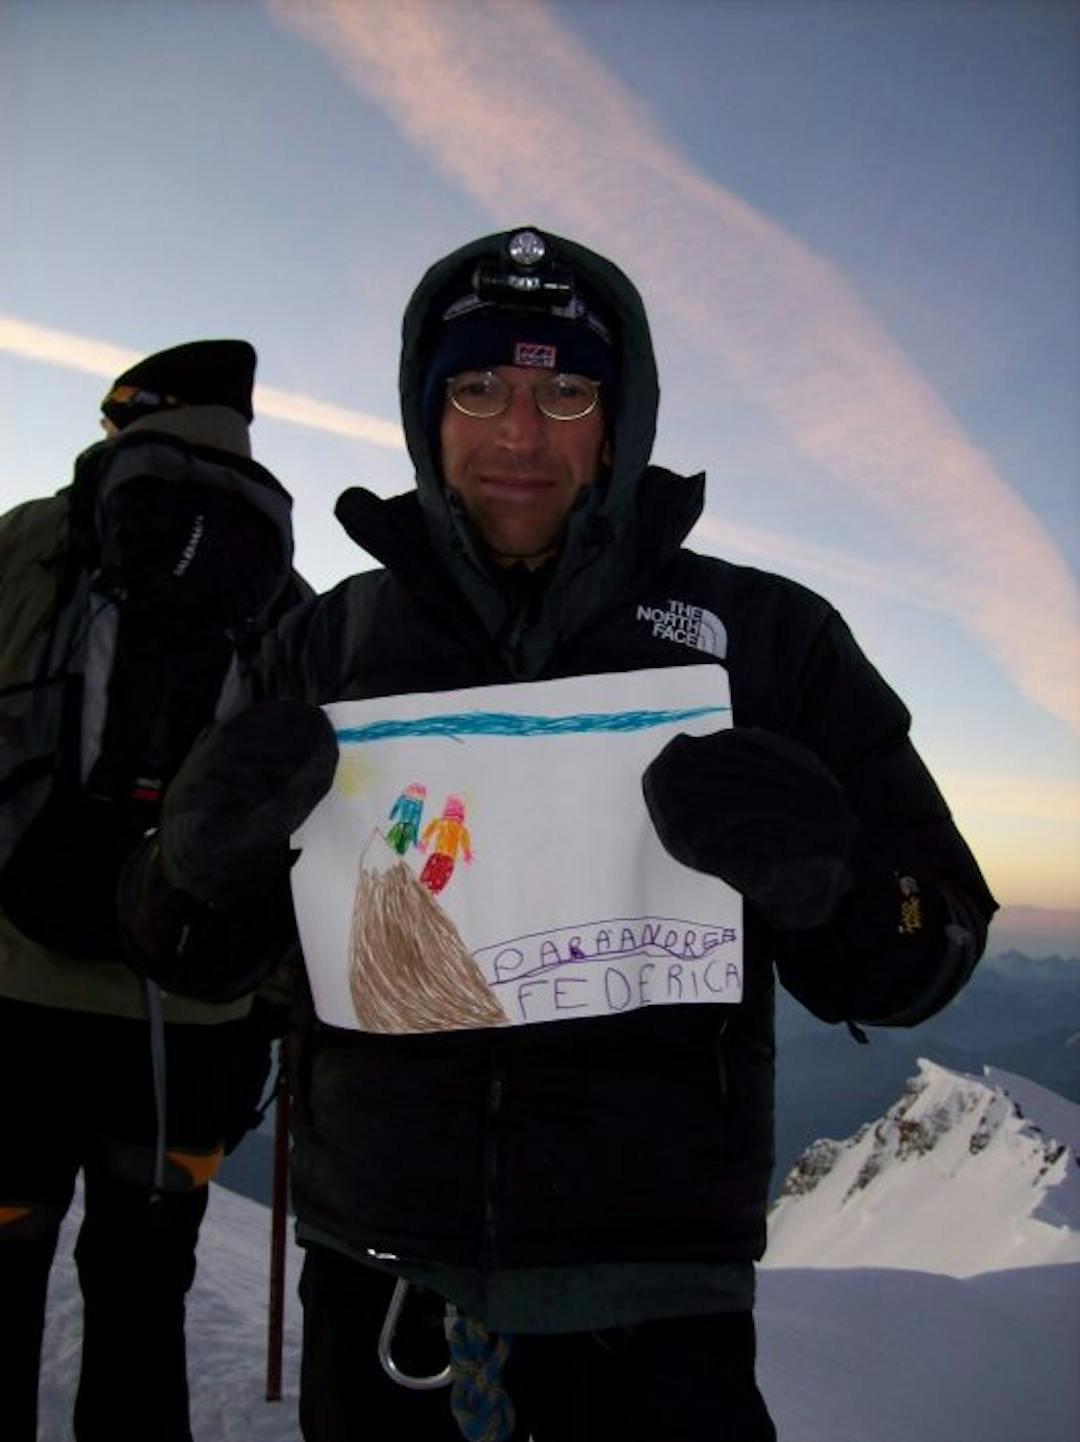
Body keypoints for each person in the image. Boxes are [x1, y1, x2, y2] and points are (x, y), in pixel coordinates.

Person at [120, 230, 998, 1442]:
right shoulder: (324, 648)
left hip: (658, 1311)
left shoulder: (769, 642)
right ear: (427, 415)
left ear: (621, 415)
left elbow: (936, 938)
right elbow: (182, 949)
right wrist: (195, 864)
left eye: (564, 390)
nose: (519, 433)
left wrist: (839, 881)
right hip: (379, 1286)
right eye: (477, 387)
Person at [0, 340, 308, 1442]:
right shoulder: (289, 597)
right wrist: (268, 1002)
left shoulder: (30, 543)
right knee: (140, 1302)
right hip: (192, 1028)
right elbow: (309, 821)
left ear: (129, 419)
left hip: (16, 1005)